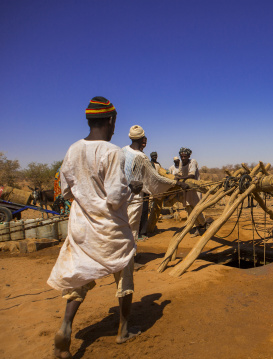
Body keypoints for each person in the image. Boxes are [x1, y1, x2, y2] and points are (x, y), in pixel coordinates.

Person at [47, 96, 141, 358]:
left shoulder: (73, 149)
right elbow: (114, 198)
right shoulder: (112, 152)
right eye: (114, 123)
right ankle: (123, 330)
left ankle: (65, 327)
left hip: (81, 225)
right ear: (110, 120)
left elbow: (65, 190)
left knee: (80, 274)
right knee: (124, 271)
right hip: (110, 227)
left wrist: (87, 197)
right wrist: (129, 188)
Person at [122, 126, 188, 240]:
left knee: (122, 226)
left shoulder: (123, 150)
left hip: (121, 196)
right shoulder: (141, 157)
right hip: (135, 198)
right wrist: (176, 183)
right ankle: (131, 255)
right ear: (143, 139)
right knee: (131, 227)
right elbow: (156, 178)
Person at [175, 147, 206, 236]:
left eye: (185, 156)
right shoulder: (181, 163)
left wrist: (179, 178)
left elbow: (191, 175)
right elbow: (180, 173)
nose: (183, 158)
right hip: (187, 190)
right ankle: (197, 227)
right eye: (182, 156)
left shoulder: (193, 162)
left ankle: (203, 224)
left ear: (189, 156)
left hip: (195, 190)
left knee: (196, 209)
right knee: (189, 209)